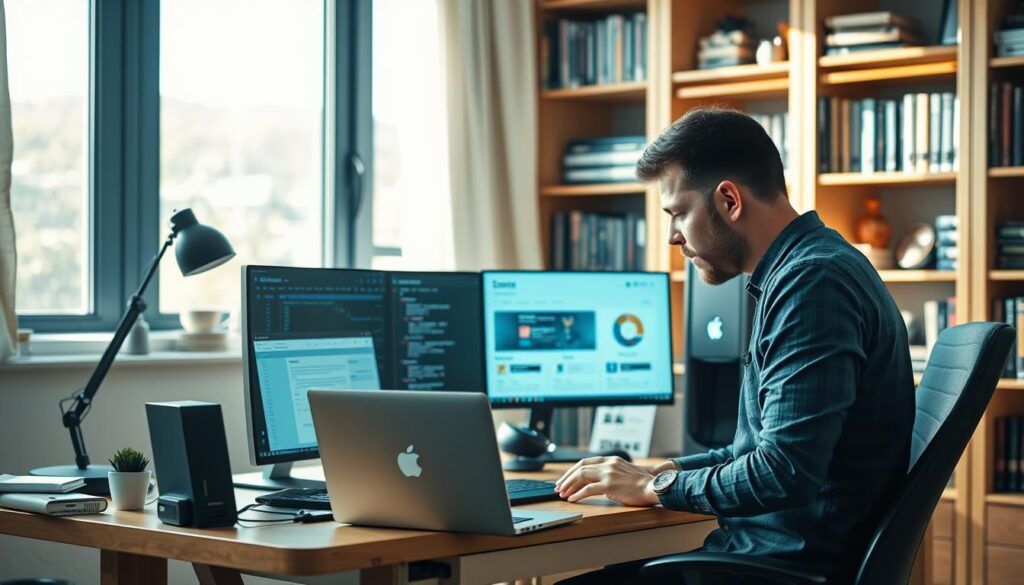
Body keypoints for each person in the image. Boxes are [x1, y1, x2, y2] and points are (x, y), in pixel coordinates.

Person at [554, 107, 915, 584]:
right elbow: (760, 448)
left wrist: (655, 486)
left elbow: (784, 470)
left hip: (779, 569)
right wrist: (663, 470)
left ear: (729, 199)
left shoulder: (813, 282)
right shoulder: (805, 271)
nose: (672, 237)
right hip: (767, 559)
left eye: (678, 212)